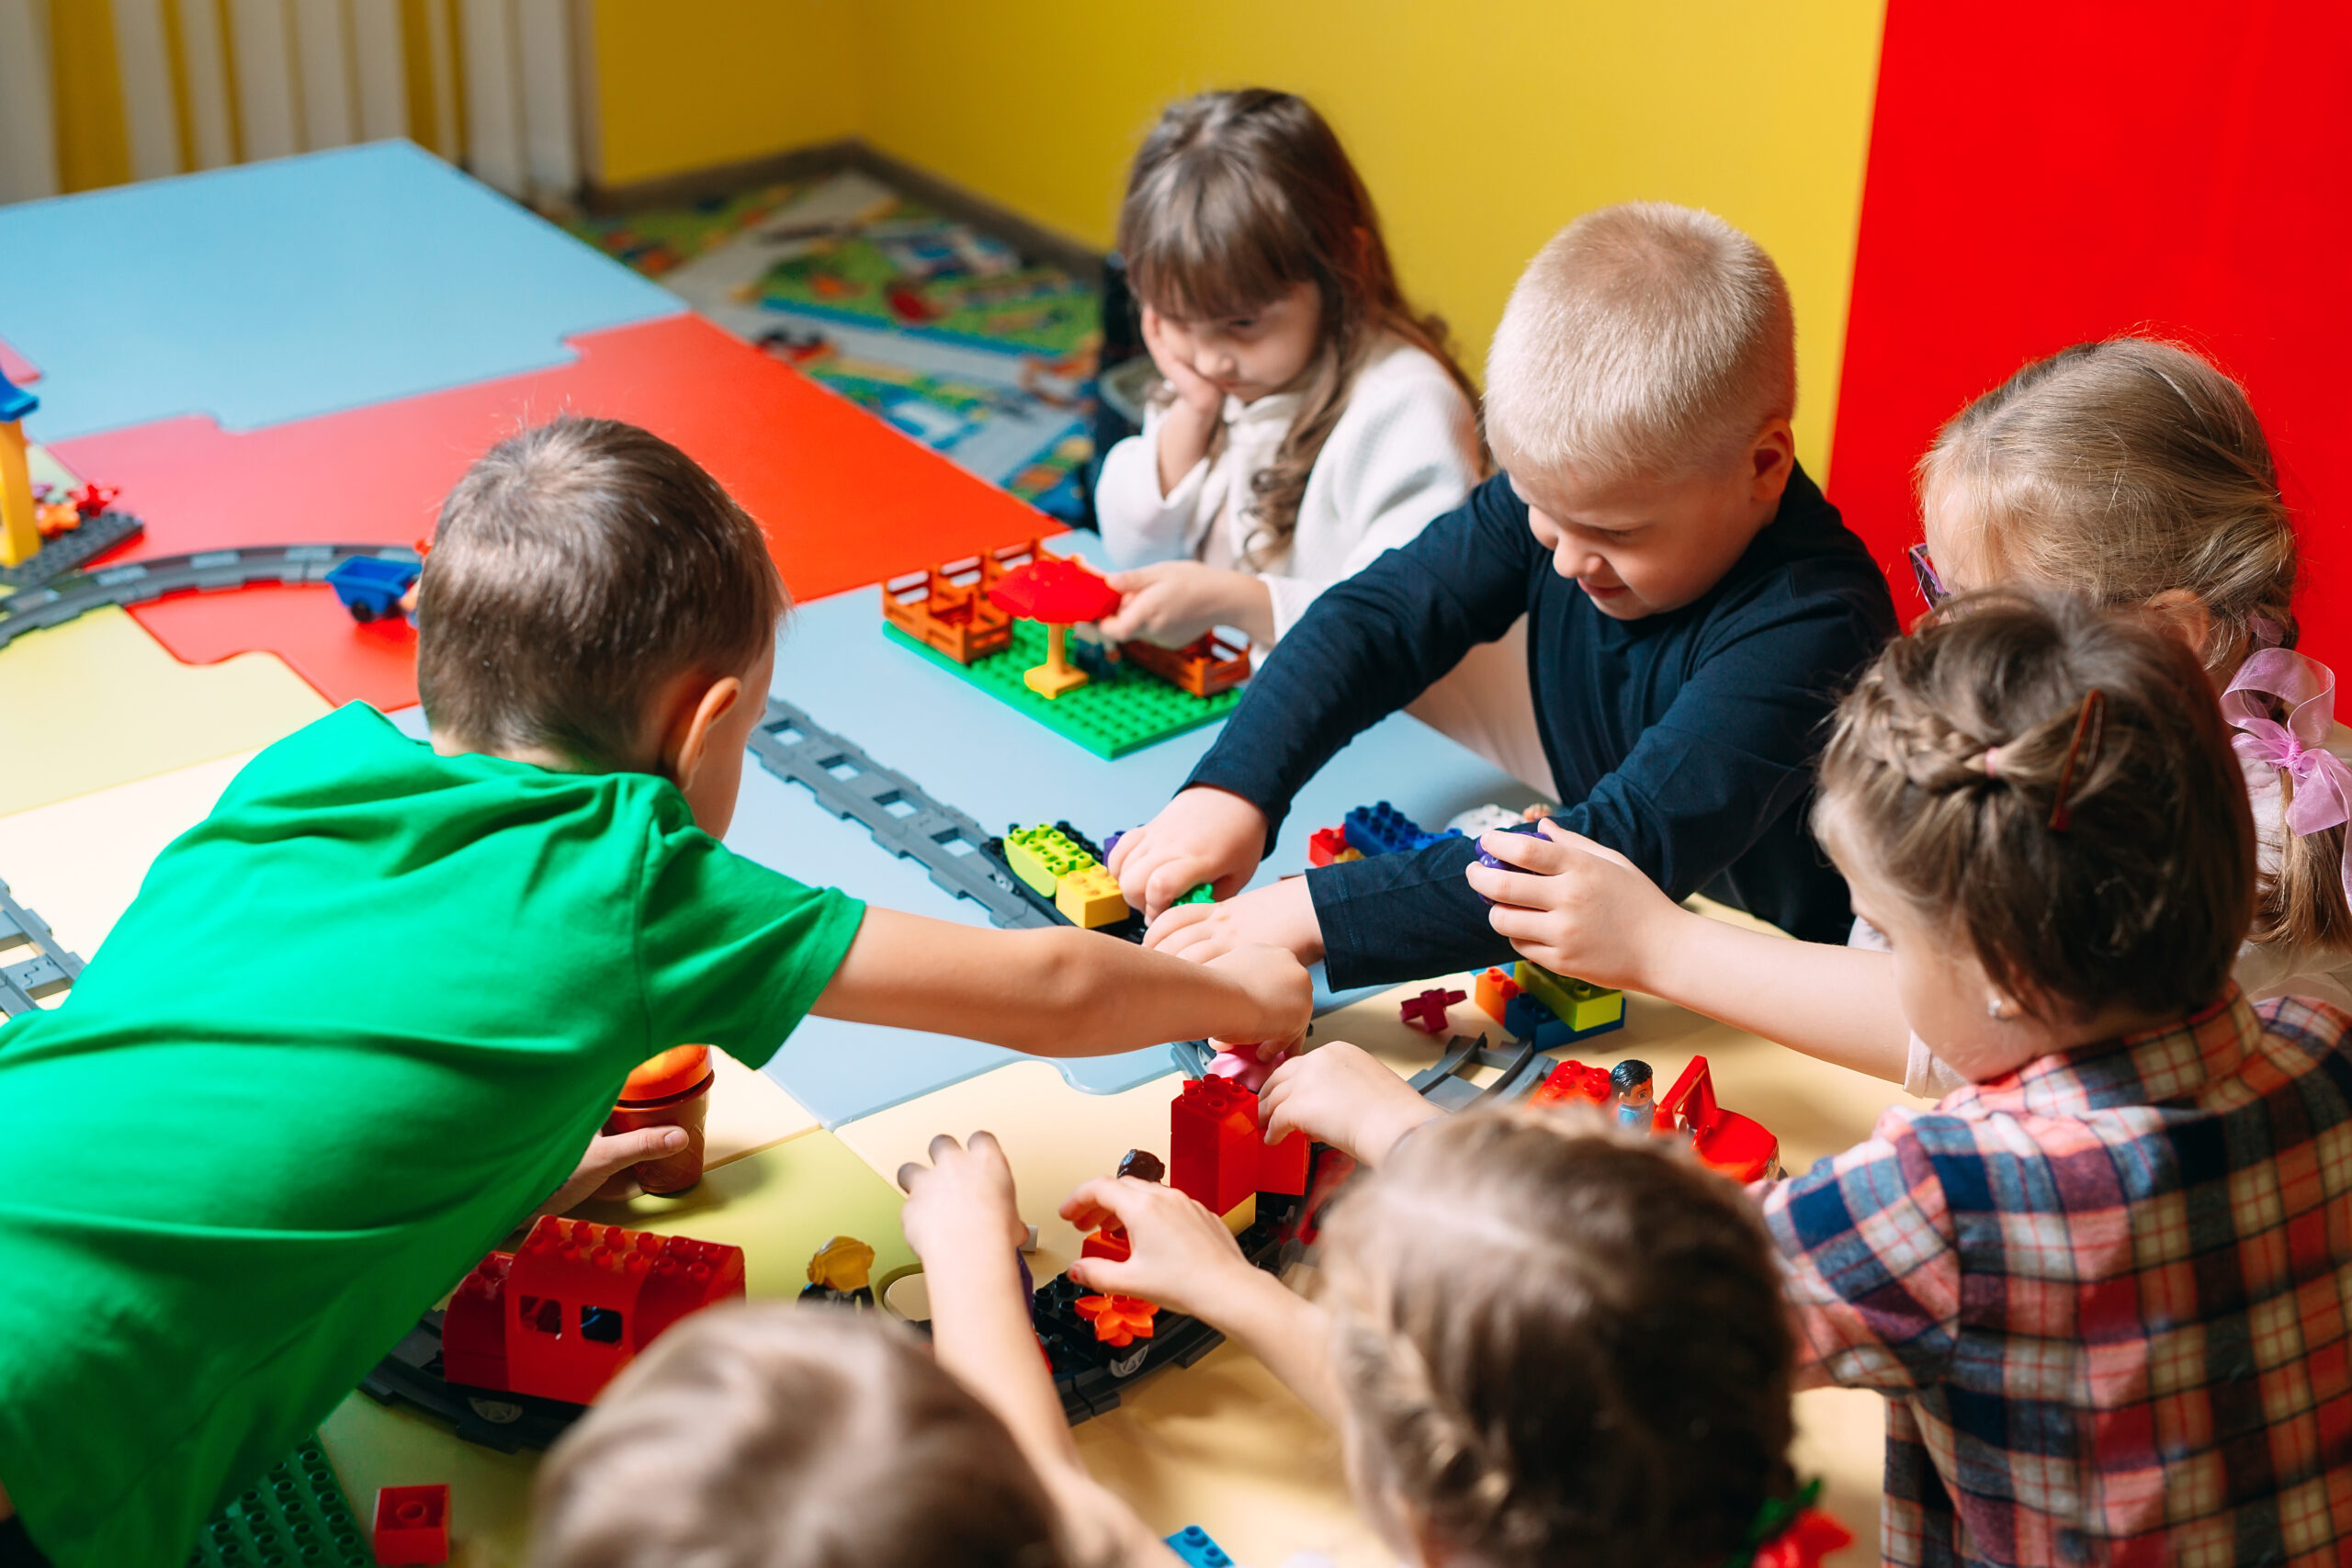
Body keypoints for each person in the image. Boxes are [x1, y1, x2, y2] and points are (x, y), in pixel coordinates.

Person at [0, 418, 1311, 1568]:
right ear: (704, 725)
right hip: (51, 1405)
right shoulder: (623, 873)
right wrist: (1250, 992)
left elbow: (245, 1064)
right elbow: (1050, 985)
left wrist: (487, 1166)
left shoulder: (298, 772)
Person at [1272, 592, 2352, 1565]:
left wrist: (1405, 1132)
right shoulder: (2323, 1041)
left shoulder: (1952, 1198)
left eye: (1881, 933)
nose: (1871, 955)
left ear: (2004, 978)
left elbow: (1600, 1314)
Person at [1470, 336, 2349, 1097]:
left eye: (1987, 605)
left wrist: (1659, 945)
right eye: (1940, 584)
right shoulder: (2084, 733)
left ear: (2166, 635)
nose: (1940, 631)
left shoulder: (2226, 839)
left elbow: (1977, 1040)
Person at [1110, 202, 1896, 991]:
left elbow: (1617, 846)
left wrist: (1312, 912)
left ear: (1763, 466)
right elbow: (1375, 618)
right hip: (1633, 939)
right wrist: (1233, 786)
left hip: (1786, 979)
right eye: (1538, 511)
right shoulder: (1566, 503)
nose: (1567, 559)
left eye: (1615, 533)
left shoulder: (1814, 623)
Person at [1091, 89, 1483, 655]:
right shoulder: (1214, 381)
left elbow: (1398, 620)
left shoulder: (1406, 406)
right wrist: (1191, 414)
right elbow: (1131, 552)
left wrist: (1233, 601)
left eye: (1243, 322)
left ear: (1343, 266)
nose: (1208, 359)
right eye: (1177, 320)